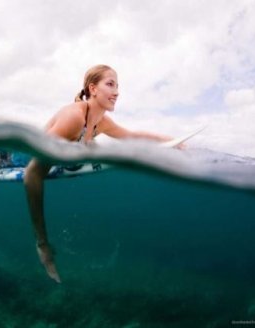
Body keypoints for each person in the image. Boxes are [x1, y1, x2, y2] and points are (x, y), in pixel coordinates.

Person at [23, 64, 178, 283]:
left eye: (118, 86)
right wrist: (42, 244)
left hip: (57, 156)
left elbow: (132, 135)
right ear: (93, 89)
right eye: (110, 84)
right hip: (13, 160)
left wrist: (169, 141)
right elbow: (31, 174)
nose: (117, 92)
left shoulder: (100, 122)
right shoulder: (74, 117)